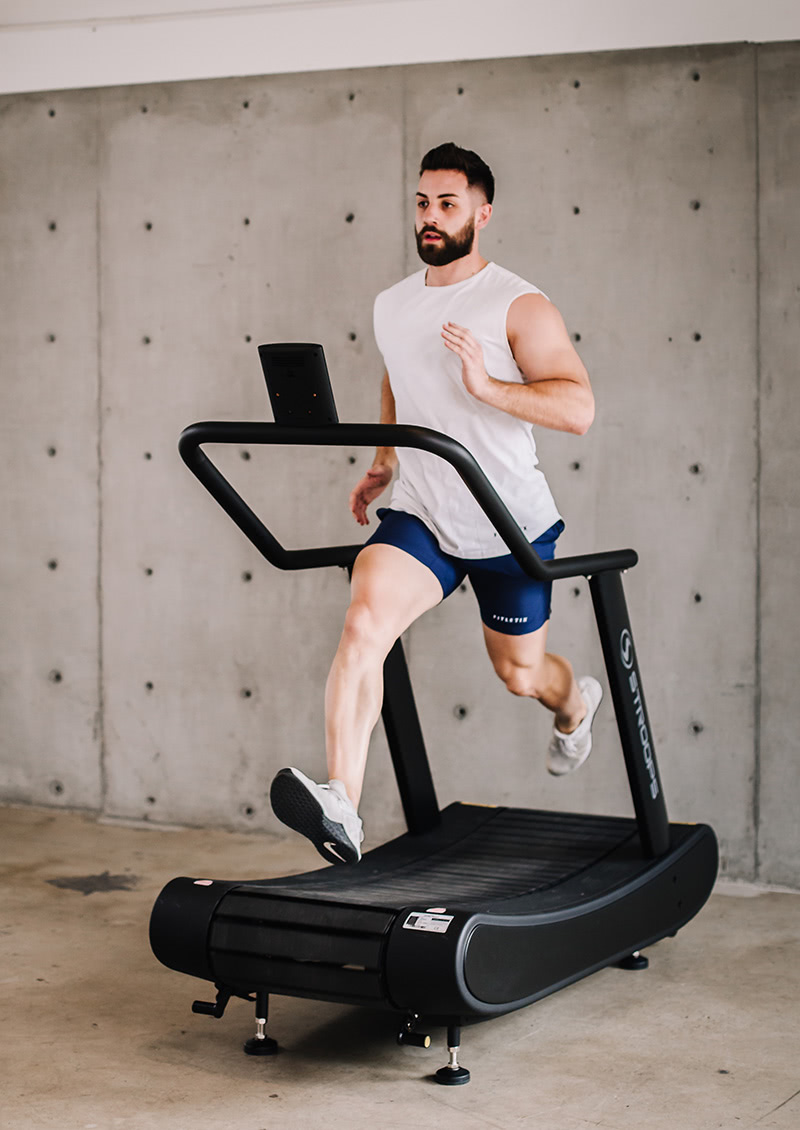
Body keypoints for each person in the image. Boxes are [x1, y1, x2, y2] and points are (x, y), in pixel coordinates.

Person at [270, 142, 601, 865]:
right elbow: (401, 377)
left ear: (482, 213)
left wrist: (488, 388)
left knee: (519, 675)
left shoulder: (519, 303)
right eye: (422, 202)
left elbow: (578, 408)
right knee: (363, 623)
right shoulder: (393, 303)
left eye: (447, 204)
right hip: (422, 512)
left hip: (507, 519)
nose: (430, 216)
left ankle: (574, 703)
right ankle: (343, 807)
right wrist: (385, 461)